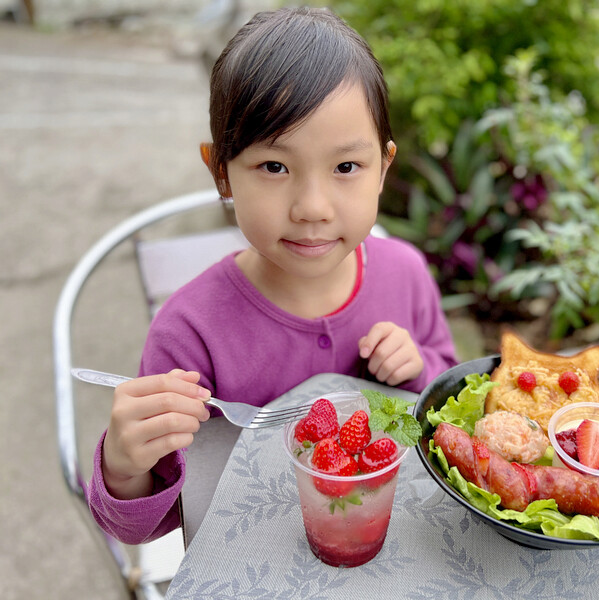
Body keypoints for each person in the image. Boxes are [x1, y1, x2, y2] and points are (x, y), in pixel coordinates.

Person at [87, 7, 459, 545]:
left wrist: (421, 367)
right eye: (274, 167)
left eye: (346, 167)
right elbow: (148, 527)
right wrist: (125, 466)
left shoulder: (405, 274)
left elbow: (447, 391)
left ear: (384, 166)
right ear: (221, 172)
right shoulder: (189, 333)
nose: (312, 207)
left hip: (385, 544)